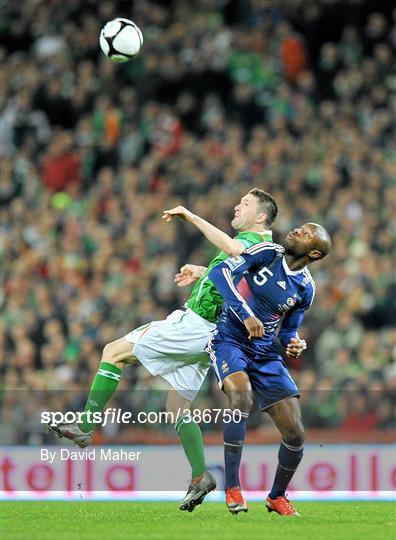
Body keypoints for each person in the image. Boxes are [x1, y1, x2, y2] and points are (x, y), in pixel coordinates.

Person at [47, 188, 292, 511]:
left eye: (244, 204)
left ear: (260, 216)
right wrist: (203, 274)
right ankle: (200, 476)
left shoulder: (250, 242)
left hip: (195, 325)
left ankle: (85, 426)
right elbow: (239, 283)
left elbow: (232, 249)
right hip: (215, 335)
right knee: (177, 409)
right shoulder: (265, 250)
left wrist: (190, 216)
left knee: (113, 352)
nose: (236, 205)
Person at [206, 223, 331, 516]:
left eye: (307, 233)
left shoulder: (305, 288)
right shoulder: (267, 253)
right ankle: (233, 487)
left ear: (314, 252)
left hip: (265, 354)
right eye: (301, 227)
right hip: (229, 340)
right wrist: (246, 315)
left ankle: (277, 496)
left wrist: (294, 343)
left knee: (296, 433)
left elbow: (288, 332)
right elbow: (219, 273)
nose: (298, 230)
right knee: (241, 399)